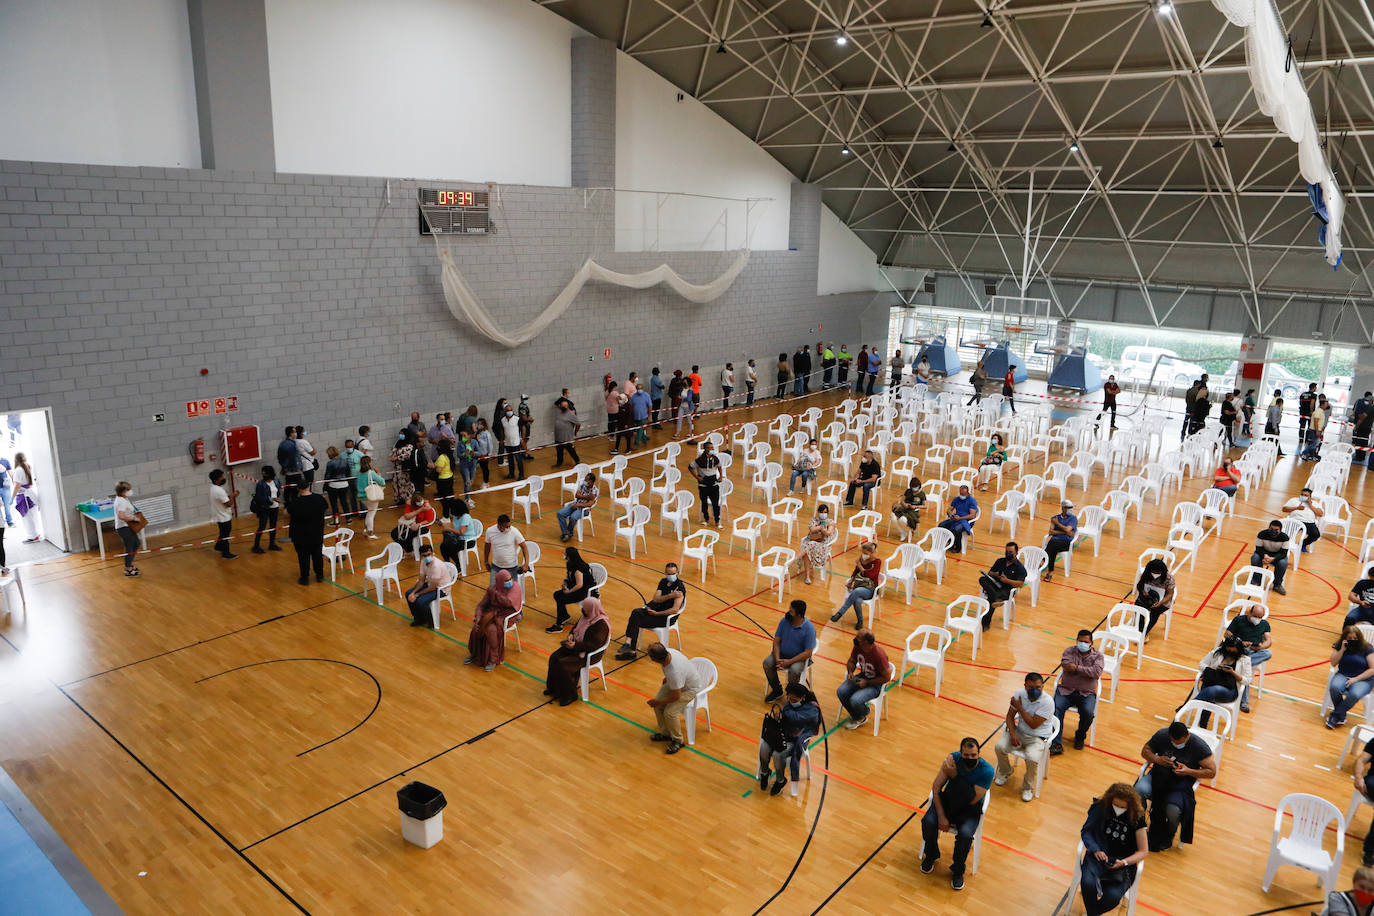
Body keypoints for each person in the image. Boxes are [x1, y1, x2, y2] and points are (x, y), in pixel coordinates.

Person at [920, 737, 994, 891]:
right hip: (948, 802)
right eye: (966, 755)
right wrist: (941, 816)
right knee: (928, 821)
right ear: (961, 753)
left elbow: (971, 800)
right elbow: (936, 788)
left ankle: (958, 870)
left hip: (968, 810)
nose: (970, 758)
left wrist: (954, 776)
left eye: (973, 755)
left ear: (979, 754)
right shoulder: (952, 759)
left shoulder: (987, 771)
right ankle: (931, 854)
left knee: (966, 835)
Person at [1135, 720, 1215, 850]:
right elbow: (1145, 751)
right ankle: (1139, 824)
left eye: (1180, 743)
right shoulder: (1162, 735)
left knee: (1173, 810)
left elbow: (1211, 772)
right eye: (1173, 742)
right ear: (1169, 735)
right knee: (1138, 790)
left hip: (1181, 783)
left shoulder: (1199, 746)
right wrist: (1157, 759)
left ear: (1187, 735)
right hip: (1159, 776)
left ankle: (1169, 833)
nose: (1176, 745)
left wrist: (1188, 771)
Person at [1077, 784, 1149, 916]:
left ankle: (1091, 913)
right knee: (1088, 884)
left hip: (1122, 865)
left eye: (1123, 807)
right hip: (1097, 858)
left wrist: (1124, 862)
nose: (1118, 810)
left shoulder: (1138, 817)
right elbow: (1086, 832)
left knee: (1113, 897)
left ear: (1130, 805)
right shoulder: (1100, 807)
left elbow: (1143, 851)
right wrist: (1095, 849)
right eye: (1116, 805)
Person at [994, 671, 1055, 802]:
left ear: (1042, 687)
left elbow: (1033, 724)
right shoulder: (1019, 694)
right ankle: (1006, 771)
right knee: (999, 747)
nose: (1035, 690)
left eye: (1038, 687)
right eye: (1031, 687)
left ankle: (1027, 787)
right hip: (1020, 732)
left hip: (1038, 738)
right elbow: (1009, 716)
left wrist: (1019, 708)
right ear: (1025, 686)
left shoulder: (1048, 702)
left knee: (1032, 758)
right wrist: (1013, 732)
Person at [757, 682, 821, 796]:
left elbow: (796, 718)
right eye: (789, 698)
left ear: (803, 698)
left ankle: (780, 780)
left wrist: (784, 710)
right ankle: (765, 772)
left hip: (796, 741)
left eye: (794, 700)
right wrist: (779, 717)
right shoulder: (788, 705)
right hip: (782, 736)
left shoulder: (812, 709)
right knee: (764, 748)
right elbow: (786, 717)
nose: (791, 701)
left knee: (778, 754)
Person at [546, 596, 611, 706]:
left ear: (591, 609)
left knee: (564, 665)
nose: (582, 610)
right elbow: (576, 627)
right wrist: (571, 635)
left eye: (585, 608)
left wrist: (575, 646)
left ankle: (570, 695)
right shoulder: (586, 616)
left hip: (589, 653)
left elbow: (594, 645)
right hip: (576, 647)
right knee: (554, 657)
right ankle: (554, 688)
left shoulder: (601, 625)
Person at [616, 563, 686, 660]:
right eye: (669, 574)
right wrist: (670, 596)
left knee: (636, 619)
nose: (671, 576)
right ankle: (629, 646)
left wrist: (657, 613)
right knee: (635, 612)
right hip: (655, 610)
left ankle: (631, 649)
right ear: (665, 573)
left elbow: (674, 610)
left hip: (665, 618)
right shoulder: (663, 582)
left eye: (673, 573)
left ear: (677, 572)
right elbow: (656, 599)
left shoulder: (680, 588)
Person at [1051, 629, 1105, 755]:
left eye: (1085, 642)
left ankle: (1080, 736)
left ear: (1091, 643)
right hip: (1066, 690)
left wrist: (1077, 668)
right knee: (1055, 708)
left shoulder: (1098, 656)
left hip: (1087, 693)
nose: (1082, 644)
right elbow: (1066, 665)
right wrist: (1086, 670)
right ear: (1076, 640)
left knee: (1088, 713)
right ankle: (1057, 743)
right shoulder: (1069, 651)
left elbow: (1096, 672)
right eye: (1080, 641)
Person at [645, 641, 704, 754]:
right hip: (678, 683)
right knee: (658, 705)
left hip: (690, 689)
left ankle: (678, 740)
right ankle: (666, 733)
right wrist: (667, 679)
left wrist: (659, 701)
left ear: (655, 660)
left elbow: (675, 697)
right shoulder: (669, 653)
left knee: (669, 712)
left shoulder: (674, 672)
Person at [464, 569, 523, 672]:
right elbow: (481, 605)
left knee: (491, 630)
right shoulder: (493, 589)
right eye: (506, 580)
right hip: (491, 614)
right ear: (499, 581)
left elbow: (508, 603)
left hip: (506, 616)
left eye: (510, 579)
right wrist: (478, 616)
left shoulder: (515, 587)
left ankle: (493, 659)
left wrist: (495, 594)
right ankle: (475, 654)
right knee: (477, 628)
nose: (509, 582)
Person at [762, 600, 818, 703]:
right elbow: (776, 641)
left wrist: (789, 662)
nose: (788, 612)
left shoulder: (809, 629)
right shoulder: (784, 621)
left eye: (791, 611)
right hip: (781, 655)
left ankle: (791, 695)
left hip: (798, 659)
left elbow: (808, 653)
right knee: (767, 663)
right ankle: (777, 690)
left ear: (799, 615)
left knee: (794, 671)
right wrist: (778, 658)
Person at [837, 628, 889, 729]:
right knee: (841, 691)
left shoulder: (879, 655)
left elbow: (886, 677)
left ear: (865, 642)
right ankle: (859, 716)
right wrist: (850, 672)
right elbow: (851, 661)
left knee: (855, 700)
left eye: (858, 638)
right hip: (863, 676)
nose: (855, 639)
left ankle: (864, 712)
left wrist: (867, 682)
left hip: (875, 684)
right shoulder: (858, 647)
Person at [1224, 602, 1272, 713]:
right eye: (1255, 616)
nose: (1257, 619)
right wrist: (1240, 642)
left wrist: (1260, 648)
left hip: (1254, 651)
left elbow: (1268, 641)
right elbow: (1227, 634)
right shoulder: (1239, 620)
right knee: (1247, 669)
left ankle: (1244, 662)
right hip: (1239, 649)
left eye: (1260, 617)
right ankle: (1244, 701)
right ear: (1249, 613)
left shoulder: (1264, 624)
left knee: (1267, 653)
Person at [1328, 626, 1374, 728]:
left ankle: (1335, 716)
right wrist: (1342, 650)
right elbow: (1333, 663)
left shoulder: (1367, 648)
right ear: (1345, 638)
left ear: (1359, 638)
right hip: (1344, 674)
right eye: (1350, 638)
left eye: (1355, 638)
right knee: (1334, 688)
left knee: (1354, 694)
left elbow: (1372, 669)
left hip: (1364, 679)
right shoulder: (1340, 645)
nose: (1352, 640)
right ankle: (1341, 716)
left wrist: (1356, 679)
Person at [830, 541, 882, 628]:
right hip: (859, 586)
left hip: (870, 589)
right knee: (857, 600)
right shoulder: (862, 559)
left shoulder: (877, 562)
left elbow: (869, 575)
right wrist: (851, 580)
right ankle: (860, 621)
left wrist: (859, 565)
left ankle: (840, 613)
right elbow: (856, 572)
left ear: (872, 553)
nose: (864, 555)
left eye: (866, 553)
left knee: (856, 591)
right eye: (863, 553)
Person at [978, 541, 1026, 629]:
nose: (1008, 554)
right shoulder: (1000, 561)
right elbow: (990, 572)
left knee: (991, 599)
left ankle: (985, 623)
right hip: (995, 584)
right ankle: (996, 597)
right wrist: (996, 574)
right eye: (1006, 551)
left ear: (1016, 553)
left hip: (1006, 589)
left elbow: (1020, 583)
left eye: (1010, 552)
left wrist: (1007, 580)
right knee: (982, 579)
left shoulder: (1019, 567)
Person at [546, 546, 594, 633]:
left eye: (566, 554)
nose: (564, 555)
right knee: (556, 594)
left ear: (570, 556)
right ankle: (564, 615)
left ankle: (559, 625)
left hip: (582, 592)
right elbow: (569, 577)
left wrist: (568, 592)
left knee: (561, 599)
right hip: (574, 588)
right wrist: (565, 583)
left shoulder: (579, 568)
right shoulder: (570, 564)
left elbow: (579, 585)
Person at [288, 479, 327, 584]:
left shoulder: (296, 502)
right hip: (316, 533)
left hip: (300, 535)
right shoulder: (319, 498)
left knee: (303, 556)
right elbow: (325, 508)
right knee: (317, 555)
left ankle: (305, 577)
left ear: (298, 489)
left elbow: (287, 513)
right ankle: (320, 575)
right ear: (309, 486)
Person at [404, 543, 444, 627]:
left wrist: (417, 594)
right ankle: (419, 618)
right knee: (408, 593)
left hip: (441, 588)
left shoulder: (436, 566)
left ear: (433, 553)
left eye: (429, 554)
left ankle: (431, 621)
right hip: (430, 584)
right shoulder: (423, 562)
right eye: (424, 555)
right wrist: (413, 592)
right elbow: (421, 581)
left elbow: (433, 587)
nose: (427, 557)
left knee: (420, 601)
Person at [1134, 558, 1175, 639]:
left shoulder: (1169, 578)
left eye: (1158, 573)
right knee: (1138, 608)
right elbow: (1139, 585)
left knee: (1155, 613)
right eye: (1154, 572)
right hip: (1147, 598)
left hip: (1162, 600)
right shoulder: (1146, 573)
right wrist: (1142, 591)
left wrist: (1160, 602)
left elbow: (1170, 594)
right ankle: (1141, 629)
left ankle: (1145, 633)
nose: (1156, 574)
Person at [483, 514, 528, 585]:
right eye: (507, 527)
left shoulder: (514, 531)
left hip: (512, 567)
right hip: (496, 566)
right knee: (493, 589)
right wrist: (486, 561)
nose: (509, 528)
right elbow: (487, 546)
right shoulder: (490, 531)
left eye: (509, 526)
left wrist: (526, 564)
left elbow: (524, 547)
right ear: (500, 526)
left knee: (511, 590)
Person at [436, 498, 481, 569]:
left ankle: (459, 565)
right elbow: (455, 530)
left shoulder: (465, 517)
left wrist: (449, 529)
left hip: (468, 541)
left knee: (451, 547)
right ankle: (448, 564)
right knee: (443, 546)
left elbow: (461, 532)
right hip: (459, 539)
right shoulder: (455, 517)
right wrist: (443, 526)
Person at [796, 506, 835, 584]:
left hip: (822, 545)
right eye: (822, 512)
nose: (823, 514)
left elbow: (828, 533)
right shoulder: (814, 519)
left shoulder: (830, 521)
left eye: (825, 512)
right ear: (818, 512)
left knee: (807, 547)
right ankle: (807, 577)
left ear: (827, 513)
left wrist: (822, 529)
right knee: (807, 550)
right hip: (812, 541)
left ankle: (794, 559)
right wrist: (822, 527)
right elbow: (812, 529)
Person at [1250, 519, 1290, 596]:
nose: (1273, 531)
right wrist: (1265, 555)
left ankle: (1277, 585)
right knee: (1254, 558)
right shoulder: (1261, 534)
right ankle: (1257, 580)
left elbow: (1283, 553)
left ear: (1280, 530)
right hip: (1264, 554)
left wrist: (1273, 559)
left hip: (1277, 555)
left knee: (1283, 563)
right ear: (1268, 528)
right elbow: (1258, 549)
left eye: (1276, 530)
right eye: (1271, 529)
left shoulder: (1285, 538)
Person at [557, 470, 599, 542]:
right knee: (560, 514)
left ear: (591, 482)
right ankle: (566, 533)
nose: (584, 481)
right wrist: (587, 497)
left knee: (573, 517)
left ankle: (569, 533)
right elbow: (576, 495)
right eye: (585, 479)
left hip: (584, 509)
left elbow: (590, 504)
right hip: (575, 505)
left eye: (586, 480)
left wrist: (579, 504)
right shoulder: (582, 485)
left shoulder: (595, 490)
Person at [687, 440, 722, 527]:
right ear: (705, 449)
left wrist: (721, 476)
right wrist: (697, 477)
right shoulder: (700, 460)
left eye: (712, 448)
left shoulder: (715, 458)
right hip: (703, 486)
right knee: (704, 503)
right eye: (710, 448)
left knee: (715, 504)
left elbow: (720, 466)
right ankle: (706, 519)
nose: (712, 449)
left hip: (714, 485)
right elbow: (690, 467)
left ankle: (717, 521)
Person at [112, 481, 142, 577]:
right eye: (128, 490)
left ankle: (129, 564)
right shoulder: (121, 501)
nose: (130, 491)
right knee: (129, 547)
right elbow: (121, 515)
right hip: (124, 528)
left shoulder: (123, 499)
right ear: (123, 491)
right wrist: (133, 518)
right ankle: (128, 568)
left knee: (136, 543)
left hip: (127, 527)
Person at [1281, 486, 1325, 551]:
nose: (1303, 496)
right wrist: (1296, 508)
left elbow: (1320, 514)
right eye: (1302, 494)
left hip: (1309, 523)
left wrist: (1310, 505)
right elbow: (1284, 509)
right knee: (1286, 534)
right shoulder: (1294, 500)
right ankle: (1286, 545)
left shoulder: (1315, 503)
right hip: (1294, 521)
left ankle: (1302, 544)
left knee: (1316, 535)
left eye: (1305, 495)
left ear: (1310, 497)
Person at [250, 466, 282, 553]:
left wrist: (276, 499)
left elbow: (278, 492)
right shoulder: (260, 484)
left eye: (265, 473)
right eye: (263, 473)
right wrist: (272, 499)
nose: (263, 475)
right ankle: (256, 546)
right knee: (262, 526)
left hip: (275, 507)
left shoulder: (276, 481)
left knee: (273, 526)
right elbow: (259, 498)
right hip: (264, 508)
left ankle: (272, 544)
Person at [1043, 500, 1077, 580]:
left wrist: (1057, 524)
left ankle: (1043, 561)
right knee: (1053, 547)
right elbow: (1051, 532)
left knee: (1052, 544)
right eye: (1069, 508)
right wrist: (1064, 532)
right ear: (1063, 508)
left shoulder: (1073, 518)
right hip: (1054, 543)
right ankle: (1049, 572)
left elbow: (1068, 530)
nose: (1071, 509)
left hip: (1066, 543)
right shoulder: (1055, 517)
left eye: (1071, 507)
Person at [940, 483, 979, 552]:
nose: (961, 496)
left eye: (963, 494)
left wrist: (960, 518)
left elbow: (972, 515)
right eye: (960, 494)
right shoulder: (957, 499)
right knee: (941, 525)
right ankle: (949, 541)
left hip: (966, 521)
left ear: (967, 493)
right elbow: (950, 509)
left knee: (957, 529)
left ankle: (958, 546)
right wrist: (950, 513)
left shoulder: (972, 501)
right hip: (956, 518)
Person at [207, 469, 236, 559]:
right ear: (216, 480)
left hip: (220, 515)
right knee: (225, 536)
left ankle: (218, 546)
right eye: (221, 477)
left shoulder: (214, 488)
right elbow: (228, 504)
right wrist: (234, 496)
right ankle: (226, 553)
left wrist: (230, 496)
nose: (223, 478)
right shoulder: (218, 491)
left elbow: (224, 499)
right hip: (223, 517)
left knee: (223, 533)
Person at [355, 456, 386, 539]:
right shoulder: (371, 473)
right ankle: (370, 533)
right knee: (371, 515)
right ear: (369, 463)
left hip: (362, 497)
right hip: (370, 496)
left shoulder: (359, 473)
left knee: (369, 513)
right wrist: (378, 473)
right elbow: (382, 481)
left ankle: (366, 530)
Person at [323, 446, 353, 524]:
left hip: (333, 485)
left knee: (334, 503)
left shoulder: (330, 463)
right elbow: (348, 473)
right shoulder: (345, 461)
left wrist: (325, 485)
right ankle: (349, 519)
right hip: (344, 484)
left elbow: (328, 476)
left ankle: (336, 521)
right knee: (344, 502)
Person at [276, 427, 301, 507]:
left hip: (288, 471)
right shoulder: (290, 444)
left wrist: (284, 467)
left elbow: (280, 458)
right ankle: (293, 506)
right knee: (294, 490)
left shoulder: (283, 444)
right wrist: (296, 467)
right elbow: (291, 458)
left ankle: (288, 506)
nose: (296, 433)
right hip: (294, 471)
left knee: (288, 489)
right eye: (294, 432)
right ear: (291, 433)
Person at [1303, 395, 1329, 461]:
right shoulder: (1318, 412)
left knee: (1314, 443)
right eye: (1326, 405)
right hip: (1314, 430)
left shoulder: (1321, 412)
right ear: (1322, 405)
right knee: (1314, 443)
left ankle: (1311, 456)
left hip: (1317, 430)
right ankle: (1304, 453)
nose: (1327, 406)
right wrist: (1317, 431)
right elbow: (1316, 421)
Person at [474, 418, 497, 487]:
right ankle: (485, 481)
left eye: (480, 424)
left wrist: (489, 454)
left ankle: (486, 482)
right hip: (478, 453)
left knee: (485, 468)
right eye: (478, 424)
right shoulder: (477, 433)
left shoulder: (487, 433)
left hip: (484, 453)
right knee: (482, 467)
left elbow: (489, 444)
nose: (479, 425)